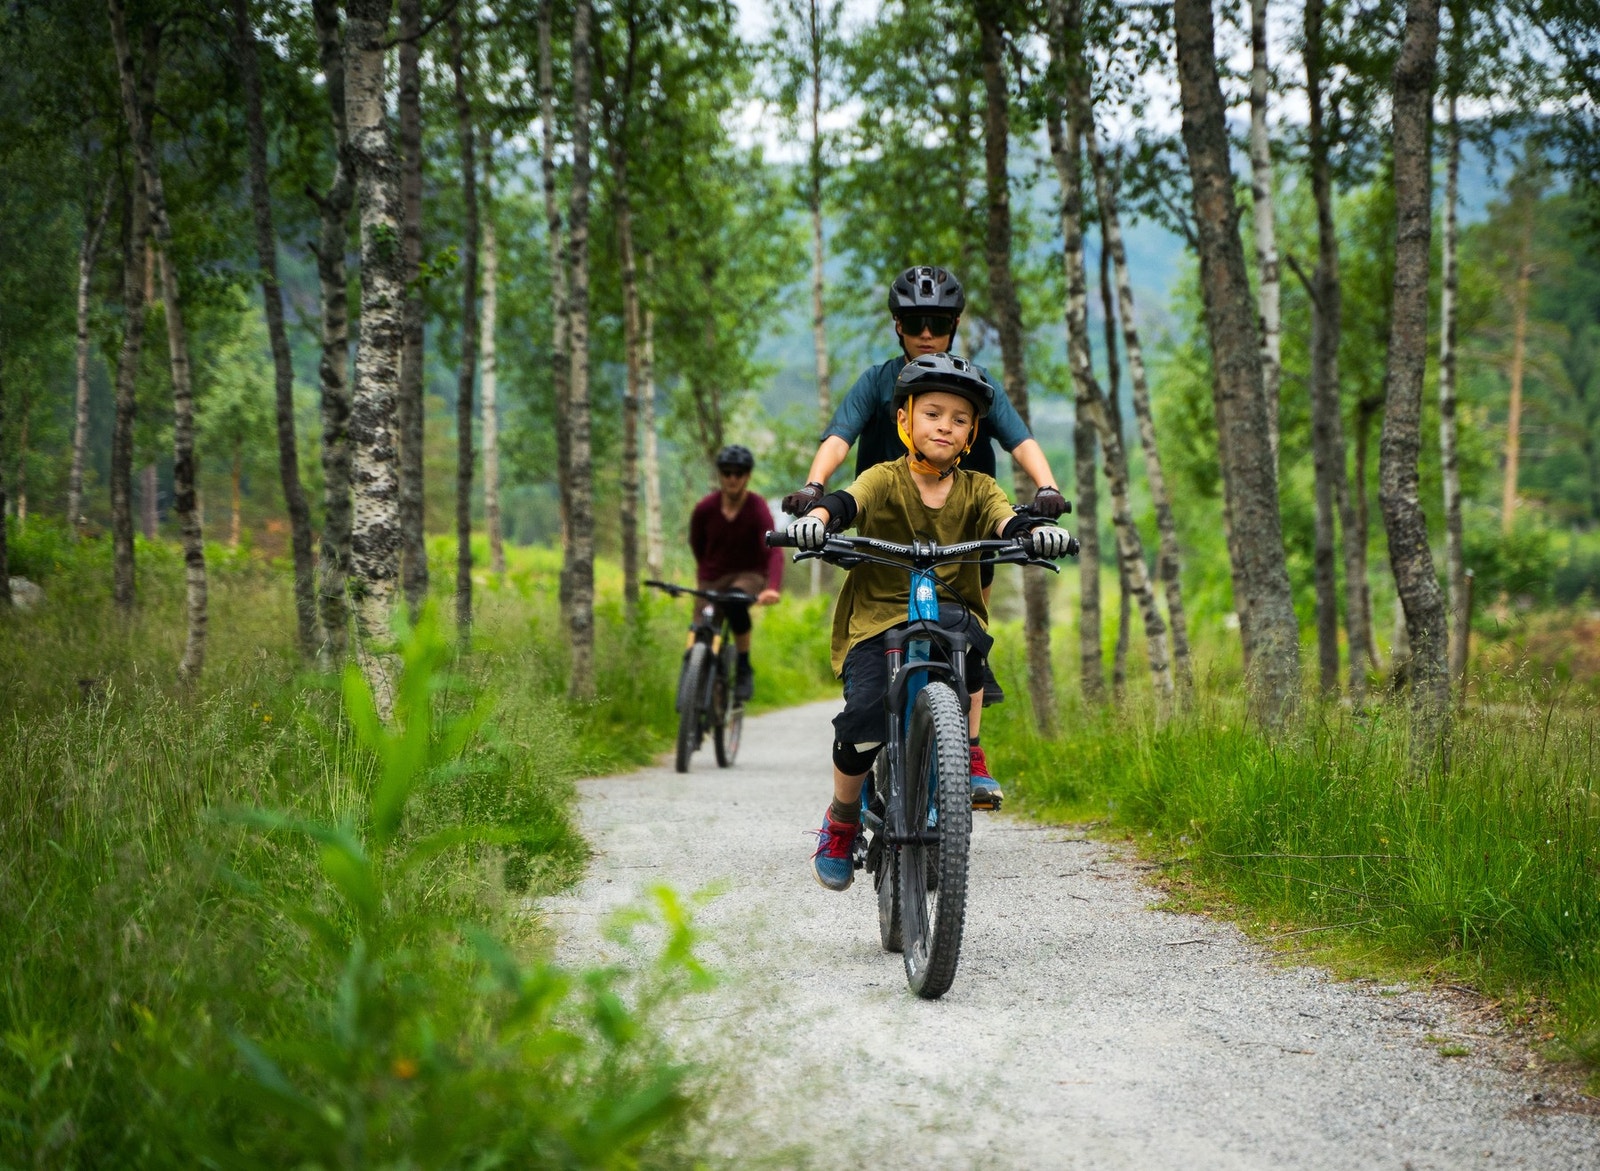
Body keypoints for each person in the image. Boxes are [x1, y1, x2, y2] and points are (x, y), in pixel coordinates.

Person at [787, 353, 1075, 891]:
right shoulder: (883, 478)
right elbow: (847, 503)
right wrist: (817, 519)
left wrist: (1034, 533)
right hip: (878, 615)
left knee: (969, 646)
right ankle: (842, 821)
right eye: (933, 414)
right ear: (904, 420)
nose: (946, 426)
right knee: (863, 719)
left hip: (949, 608)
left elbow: (1006, 520)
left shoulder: (978, 488)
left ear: (972, 434)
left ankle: (965, 751)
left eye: (960, 419)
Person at [781, 265, 1070, 704]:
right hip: (886, 517)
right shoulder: (878, 382)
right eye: (916, 323)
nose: (927, 333)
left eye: (939, 323)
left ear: (955, 324)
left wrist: (1047, 488)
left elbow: (1020, 440)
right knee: (877, 644)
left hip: (966, 525)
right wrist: (814, 489)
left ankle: (966, 734)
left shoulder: (976, 385)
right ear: (899, 325)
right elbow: (839, 438)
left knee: (971, 638)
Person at [689, 444, 783, 701]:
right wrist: (704, 576)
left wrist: (772, 586)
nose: (732, 478)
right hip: (713, 576)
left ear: (747, 476)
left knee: (734, 601)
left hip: (749, 574)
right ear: (720, 474)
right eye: (727, 472)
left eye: (738, 473)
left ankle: (743, 666)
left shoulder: (757, 508)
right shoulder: (705, 509)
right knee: (701, 630)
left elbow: (774, 550)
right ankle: (698, 686)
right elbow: (697, 545)